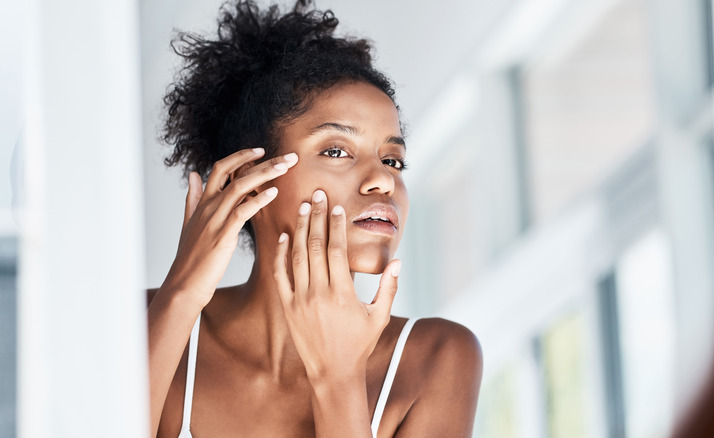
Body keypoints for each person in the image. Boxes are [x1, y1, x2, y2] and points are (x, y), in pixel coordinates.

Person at [146, 1, 483, 437]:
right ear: (251, 179)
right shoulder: (143, 322)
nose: (382, 180)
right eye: (337, 151)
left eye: (393, 160)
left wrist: (337, 378)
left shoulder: (437, 358)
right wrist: (182, 294)